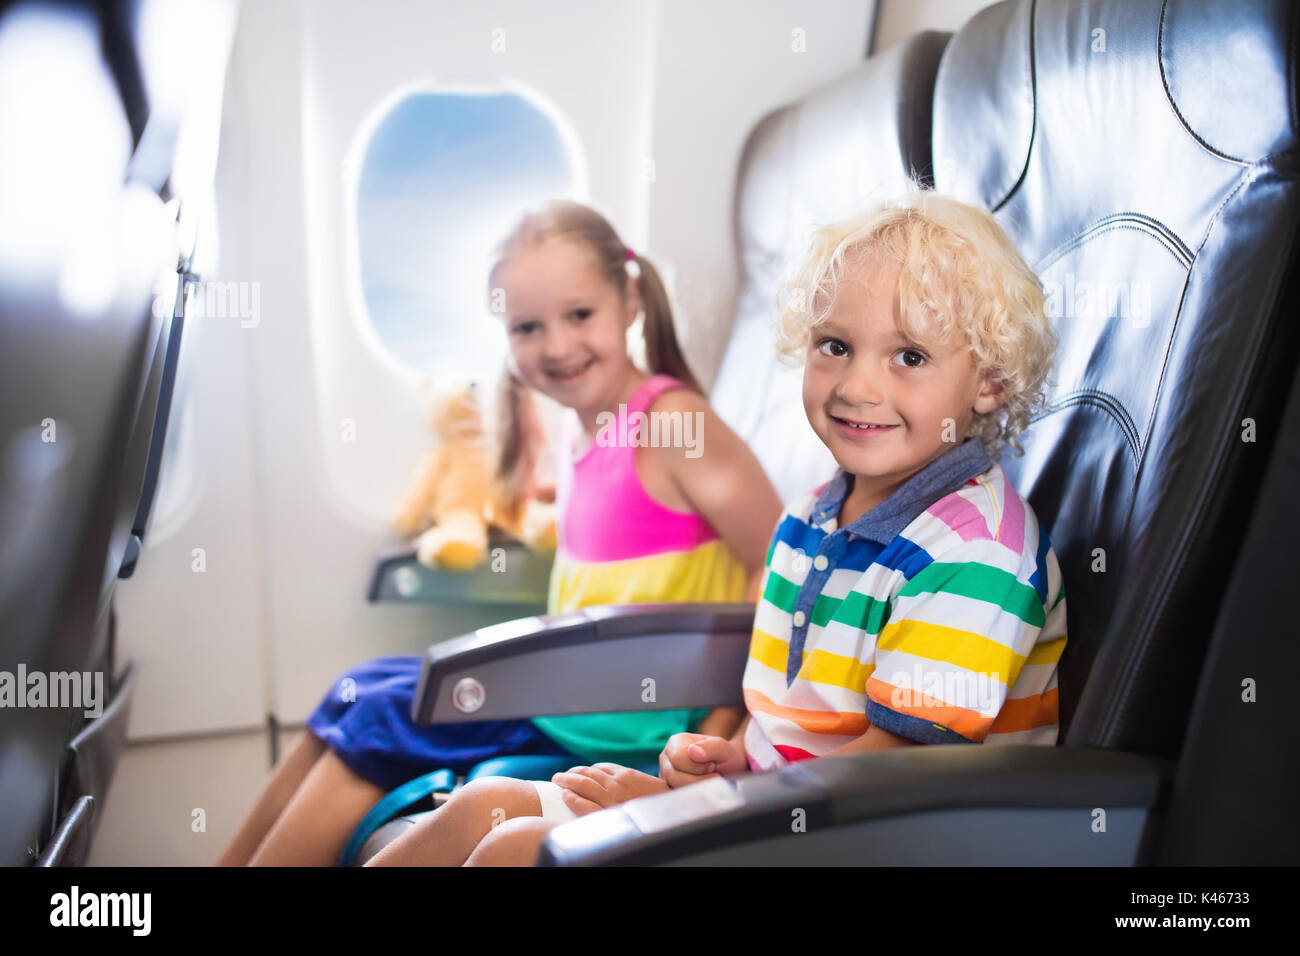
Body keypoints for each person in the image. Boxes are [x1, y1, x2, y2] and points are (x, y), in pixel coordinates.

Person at [365, 191, 1069, 866]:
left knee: (515, 850)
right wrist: (724, 761)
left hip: (874, 840)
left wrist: (707, 808)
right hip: (779, 816)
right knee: (477, 810)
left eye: (909, 357)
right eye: (834, 346)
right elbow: (794, 730)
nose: (857, 387)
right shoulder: (812, 517)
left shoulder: (977, 552)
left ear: (990, 383)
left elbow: (896, 774)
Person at [216, 200, 782, 866]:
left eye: (580, 315)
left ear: (629, 301)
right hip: (572, 692)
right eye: (528, 328)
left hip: (625, 712)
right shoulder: (579, 430)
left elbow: (773, 558)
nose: (557, 346)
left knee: (382, 715)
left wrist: (720, 719)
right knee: (359, 689)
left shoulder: (670, 422)